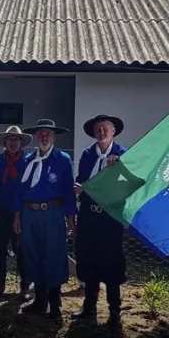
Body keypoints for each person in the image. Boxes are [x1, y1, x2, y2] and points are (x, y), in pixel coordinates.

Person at [12, 119, 77, 321]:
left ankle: (55, 304)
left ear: (54, 136)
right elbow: (19, 191)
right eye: (41, 134)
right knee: (32, 254)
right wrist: (17, 216)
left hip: (52, 213)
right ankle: (40, 300)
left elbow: (68, 191)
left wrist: (71, 218)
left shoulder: (63, 159)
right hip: (30, 213)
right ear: (36, 137)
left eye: (48, 133)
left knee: (54, 255)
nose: (44, 137)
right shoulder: (27, 160)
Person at [73, 114, 129, 325]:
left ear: (113, 131)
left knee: (112, 262)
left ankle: (115, 311)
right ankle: (89, 307)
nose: (102, 131)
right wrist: (79, 188)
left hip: (111, 217)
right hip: (89, 214)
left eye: (105, 128)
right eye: (98, 128)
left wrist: (119, 167)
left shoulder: (123, 154)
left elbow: (129, 182)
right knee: (89, 259)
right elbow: (82, 181)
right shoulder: (87, 155)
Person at [0, 125, 32, 299]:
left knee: (22, 249)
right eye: (10, 139)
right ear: (5, 142)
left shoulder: (29, 161)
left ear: (21, 142)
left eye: (16, 139)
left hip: (22, 213)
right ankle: (0, 284)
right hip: (0, 211)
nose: (13, 143)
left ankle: (25, 285)